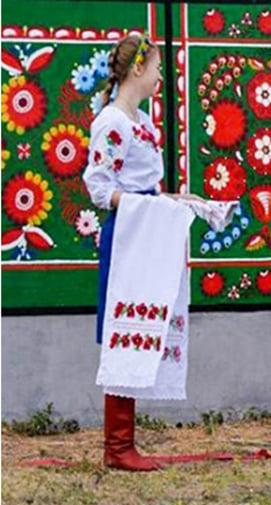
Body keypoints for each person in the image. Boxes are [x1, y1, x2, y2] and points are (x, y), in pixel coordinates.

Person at [83, 33, 203, 471]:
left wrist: (172, 201)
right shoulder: (112, 122)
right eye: (156, 69)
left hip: (145, 231)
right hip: (129, 235)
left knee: (141, 324)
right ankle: (116, 447)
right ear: (138, 69)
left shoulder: (141, 122)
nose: (159, 79)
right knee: (124, 327)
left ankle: (123, 444)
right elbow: (99, 187)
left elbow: (142, 185)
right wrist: (145, 207)